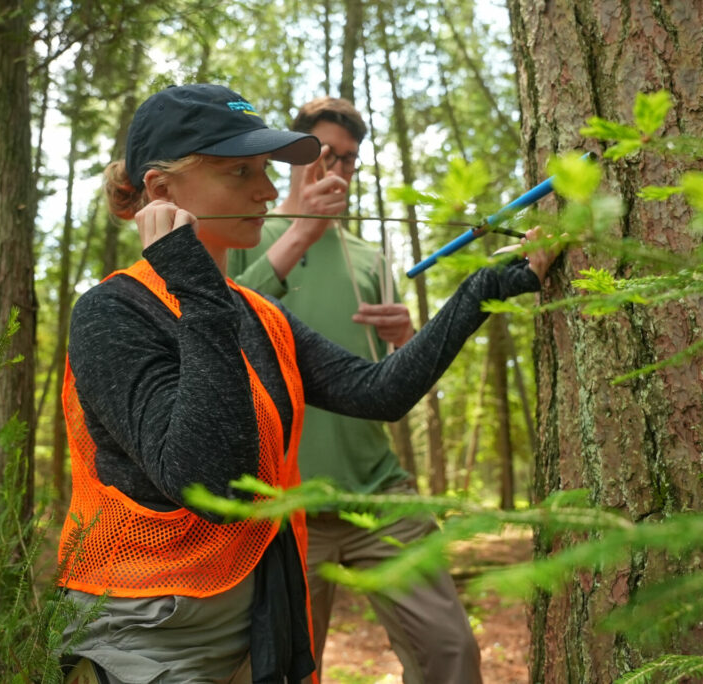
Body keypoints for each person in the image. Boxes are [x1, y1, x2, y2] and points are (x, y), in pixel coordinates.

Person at [57, 83, 559, 684]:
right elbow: (207, 482)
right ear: (161, 190)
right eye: (240, 171)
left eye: (265, 170)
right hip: (145, 633)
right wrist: (196, 285)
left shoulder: (256, 314)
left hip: (254, 619)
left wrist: (488, 287)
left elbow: (378, 392)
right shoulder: (110, 312)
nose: (269, 190)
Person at [227, 97, 474, 683]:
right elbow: (222, 331)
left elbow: (392, 386)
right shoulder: (244, 236)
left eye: (348, 159)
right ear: (292, 157)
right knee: (282, 671)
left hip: (378, 493)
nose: (335, 169)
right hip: (283, 506)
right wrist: (301, 233)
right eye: (323, 154)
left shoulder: (370, 258)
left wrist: (407, 339)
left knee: (451, 652)